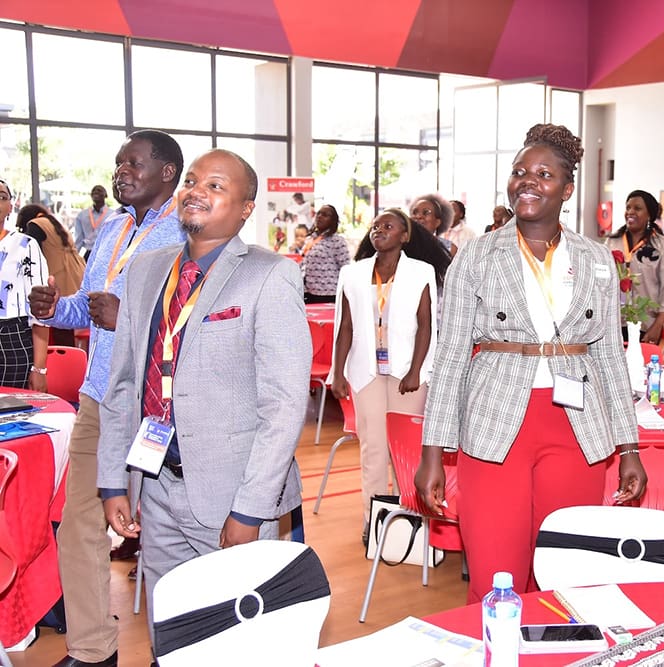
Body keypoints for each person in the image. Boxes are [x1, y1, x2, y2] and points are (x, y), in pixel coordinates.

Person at [416, 124, 647, 602]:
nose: (528, 181)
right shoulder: (477, 256)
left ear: (567, 188)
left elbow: (608, 356)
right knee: (496, 576)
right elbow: (452, 353)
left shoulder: (597, 259)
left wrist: (629, 447)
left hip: (577, 429)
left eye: (544, 174)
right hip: (494, 424)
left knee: (568, 574)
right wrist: (432, 452)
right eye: (520, 171)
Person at [97, 149, 310, 650]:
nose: (197, 190)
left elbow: (282, 406)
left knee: (238, 643)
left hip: (232, 493)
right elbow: (124, 385)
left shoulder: (269, 274)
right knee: (171, 634)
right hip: (154, 486)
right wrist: (112, 483)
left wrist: (251, 511)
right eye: (192, 180)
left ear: (245, 209)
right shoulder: (147, 271)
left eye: (216, 186)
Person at [30, 130, 187, 667]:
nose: (121, 171)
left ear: (166, 173)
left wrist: (129, 321)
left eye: (133, 163)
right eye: (119, 163)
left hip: (156, 408)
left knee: (166, 531)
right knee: (79, 525)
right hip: (100, 399)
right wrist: (55, 308)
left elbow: (189, 323)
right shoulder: (114, 227)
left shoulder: (188, 232)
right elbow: (90, 312)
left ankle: (189, 649)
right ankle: (94, 650)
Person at [330, 210, 445, 542]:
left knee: (406, 452)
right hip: (366, 371)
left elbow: (426, 325)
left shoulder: (420, 271)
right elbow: (345, 326)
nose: (379, 230)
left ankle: (411, 521)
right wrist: (337, 372)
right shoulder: (352, 274)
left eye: (388, 226)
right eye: (376, 226)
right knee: (374, 449)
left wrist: (415, 369)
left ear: (404, 236)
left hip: (408, 374)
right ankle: (374, 521)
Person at [604, 189, 664, 343]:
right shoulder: (612, 242)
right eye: (628, 207)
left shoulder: (661, 246)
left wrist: (658, 324)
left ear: (649, 215)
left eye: (637, 208)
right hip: (613, 322)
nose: (630, 212)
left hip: (647, 323)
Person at [0, 178, 50, 390]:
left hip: (11, 339)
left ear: (10, 206)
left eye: (2, 197)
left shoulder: (25, 245)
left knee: (9, 416)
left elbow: (40, 312)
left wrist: (39, 368)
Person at [17, 203, 87, 347]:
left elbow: (26, 251)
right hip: (75, 274)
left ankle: (61, 364)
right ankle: (69, 361)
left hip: (58, 277)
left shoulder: (35, 224)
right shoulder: (53, 222)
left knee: (58, 327)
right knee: (65, 332)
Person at [301, 204, 351, 303]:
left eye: (325, 215)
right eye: (318, 213)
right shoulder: (310, 239)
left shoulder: (337, 241)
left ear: (333, 221)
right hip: (309, 292)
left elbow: (346, 268)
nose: (319, 216)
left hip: (329, 294)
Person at [411, 193, 457, 257]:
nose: (419, 216)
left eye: (426, 212)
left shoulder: (450, 249)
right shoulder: (401, 245)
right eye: (415, 212)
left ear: (437, 222)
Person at [74, 185, 113, 260]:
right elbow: (79, 238)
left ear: (105, 195)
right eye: (94, 191)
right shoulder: (82, 215)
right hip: (88, 254)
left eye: (99, 190)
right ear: (91, 195)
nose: (96, 191)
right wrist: (74, 257)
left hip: (106, 254)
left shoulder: (113, 215)